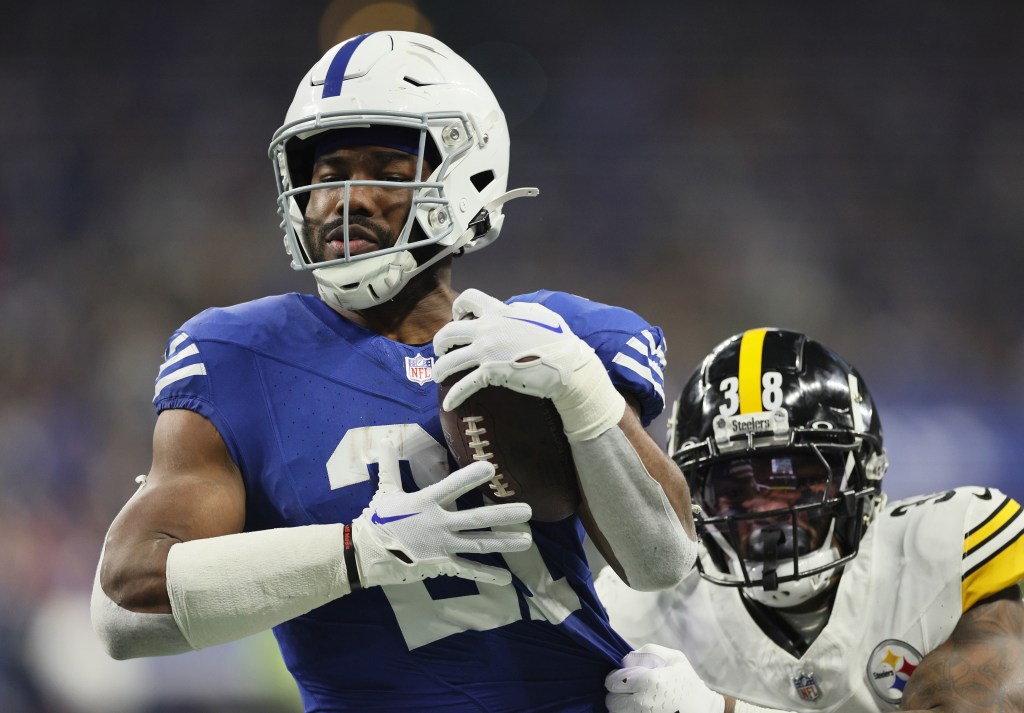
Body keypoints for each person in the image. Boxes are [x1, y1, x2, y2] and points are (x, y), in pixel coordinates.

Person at [90, 30, 697, 712]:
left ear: (468, 173)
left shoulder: (557, 336)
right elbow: (124, 609)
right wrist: (361, 550)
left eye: (383, 167)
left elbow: (662, 562)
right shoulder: (241, 354)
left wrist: (581, 389)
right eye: (326, 173)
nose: (345, 199)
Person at [599, 327, 1024, 713]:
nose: (767, 510)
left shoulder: (951, 544)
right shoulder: (640, 606)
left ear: (862, 472)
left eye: (793, 479)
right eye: (734, 486)